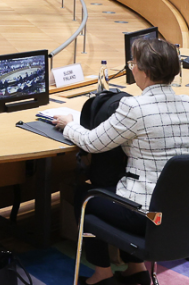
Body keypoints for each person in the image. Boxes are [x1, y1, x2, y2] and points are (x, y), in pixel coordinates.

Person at [53, 37, 189, 285]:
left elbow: (92, 142)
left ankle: (102, 275)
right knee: (117, 187)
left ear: (145, 72)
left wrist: (69, 125)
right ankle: (135, 269)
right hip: (180, 216)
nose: (132, 68)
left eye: (133, 63)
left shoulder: (134, 107)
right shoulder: (187, 104)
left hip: (145, 216)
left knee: (85, 194)